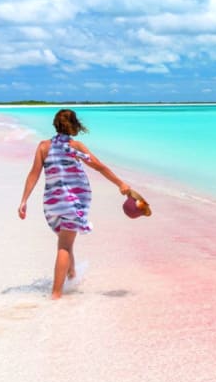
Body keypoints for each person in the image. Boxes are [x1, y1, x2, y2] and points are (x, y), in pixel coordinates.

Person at [18, 108, 131, 299]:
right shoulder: (76, 146)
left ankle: (71, 276)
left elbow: (34, 174)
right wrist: (120, 183)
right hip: (73, 202)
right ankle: (56, 294)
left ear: (55, 124)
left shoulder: (43, 146)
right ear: (74, 125)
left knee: (65, 242)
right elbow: (99, 166)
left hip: (52, 202)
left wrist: (24, 200)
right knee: (64, 245)